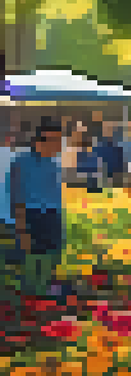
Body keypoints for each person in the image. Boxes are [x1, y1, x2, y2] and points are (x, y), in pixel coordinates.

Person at [10, 119, 66, 295]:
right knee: (32, 262)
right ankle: (31, 301)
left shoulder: (53, 163)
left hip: (53, 216)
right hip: (32, 216)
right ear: (38, 141)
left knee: (53, 257)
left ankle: (48, 296)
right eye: (55, 140)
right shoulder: (21, 162)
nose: (59, 145)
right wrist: (21, 228)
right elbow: (16, 194)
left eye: (60, 140)